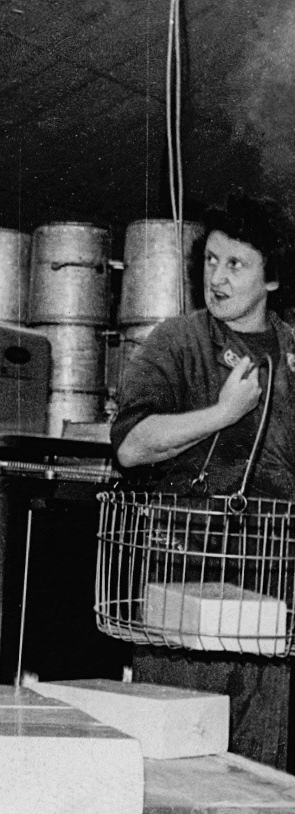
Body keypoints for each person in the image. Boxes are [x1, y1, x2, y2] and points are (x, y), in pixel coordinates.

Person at [111, 191, 295, 770]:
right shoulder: (176, 342)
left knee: (261, 780)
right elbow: (132, 446)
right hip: (182, 589)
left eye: (236, 264)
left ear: (272, 280)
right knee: (175, 773)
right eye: (211, 261)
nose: (217, 277)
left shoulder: (291, 354)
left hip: (270, 604)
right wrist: (223, 413)